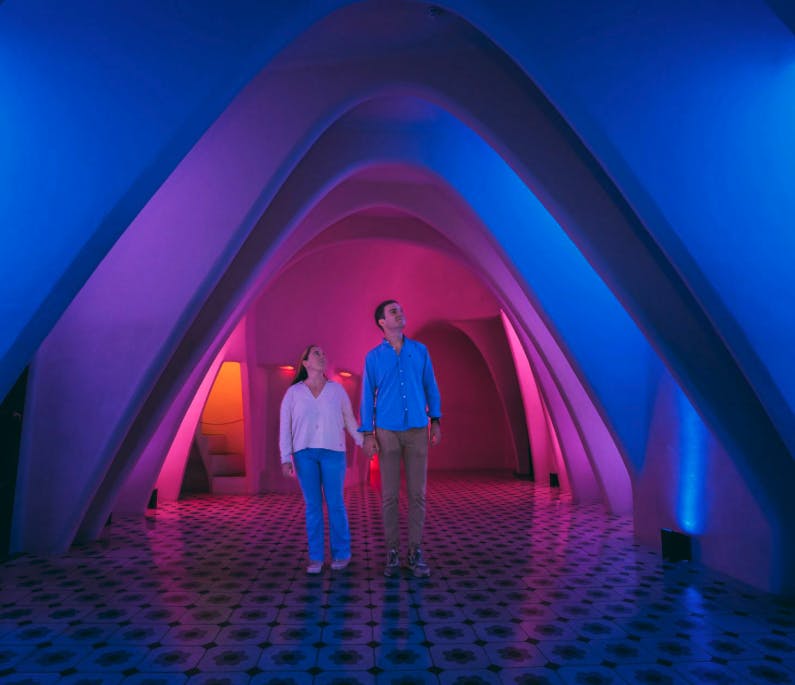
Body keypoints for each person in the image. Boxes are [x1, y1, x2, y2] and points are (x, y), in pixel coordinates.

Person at [360, 300, 442, 578]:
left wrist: (437, 420)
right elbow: (365, 397)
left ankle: (415, 550)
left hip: (418, 428)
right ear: (381, 322)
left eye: (401, 309)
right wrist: (367, 434)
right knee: (389, 496)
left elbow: (431, 385)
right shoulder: (373, 357)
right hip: (386, 432)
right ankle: (393, 551)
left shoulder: (420, 351)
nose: (400, 313)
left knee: (418, 495)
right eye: (393, 311)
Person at [279, 344, 363, 574]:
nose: (322, 356)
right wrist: (285, 457)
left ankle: (341, 553)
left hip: (333, 453)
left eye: (324, 353)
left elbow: (349, 420)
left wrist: (362, 442)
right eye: (316, 353)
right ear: (305, 363)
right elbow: (285, 427)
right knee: (313, 506)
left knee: (336, 504)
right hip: (304, 454)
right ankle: (316, 557)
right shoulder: (294, 393)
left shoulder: (336, 390)